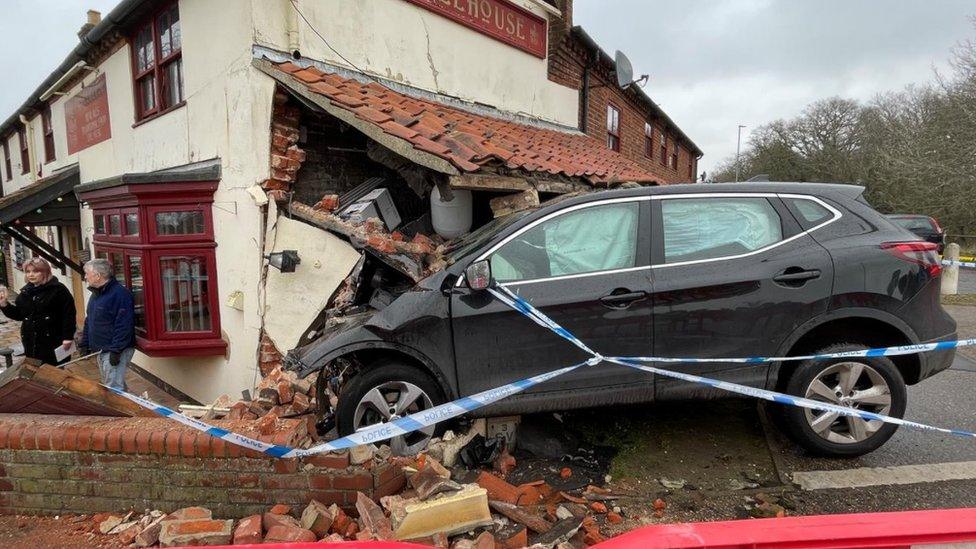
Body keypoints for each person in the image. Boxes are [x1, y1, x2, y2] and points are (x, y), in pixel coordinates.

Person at [0, 257, 77, 366]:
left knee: (53, 374)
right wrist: (4, 304)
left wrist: (68, 337)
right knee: (36, 374)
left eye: (36, 271)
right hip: (31, 342)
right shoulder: (26, 292)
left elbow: (68, 315)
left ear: (45, 272)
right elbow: (20, 315)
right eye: (28, 271)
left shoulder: (58, 290)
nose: (31, 274)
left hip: (52, 341)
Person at [79, 258, 135, 391]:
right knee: (113, 384)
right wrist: (85, 343)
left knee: (113, 388)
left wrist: (116, 350)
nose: (85, 277)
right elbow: (90, 320)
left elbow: (124, 325)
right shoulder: (96, 294)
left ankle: (119, 412)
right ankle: (131, 408)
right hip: (102, 349)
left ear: (98, 276)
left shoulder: (120, 294)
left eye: (87, 273)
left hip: (115, 349)